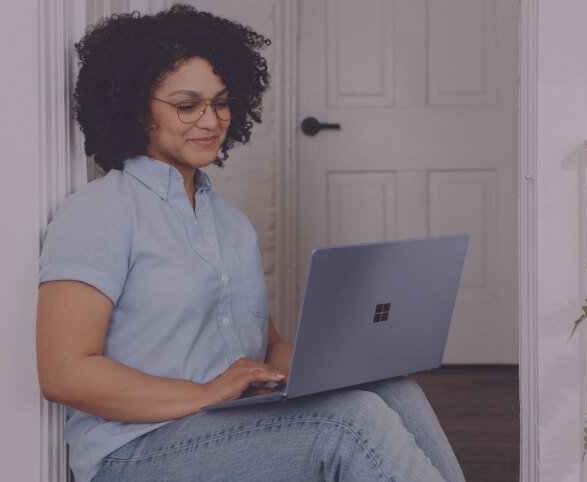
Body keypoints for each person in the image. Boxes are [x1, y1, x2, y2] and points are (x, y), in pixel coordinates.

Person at [35, 5, 465, 481]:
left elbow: (270, 347)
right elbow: (63, 372)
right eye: (187, 104)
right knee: (350, 424)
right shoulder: (98, 213)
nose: (210, 120)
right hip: (135, 450)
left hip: (225, 426)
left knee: (393, 393)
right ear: (138, 110)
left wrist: (350, 369)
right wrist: (204, 394)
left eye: (220, 102)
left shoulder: (232, 223)